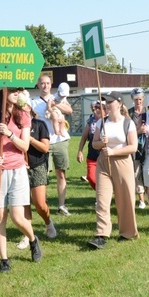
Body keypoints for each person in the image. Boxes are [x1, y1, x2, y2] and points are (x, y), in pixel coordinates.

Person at [0, 88, 42, 273]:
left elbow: (24, 145)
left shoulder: (23, 115)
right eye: (13, 91)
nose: (17, 94)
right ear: (3, 92)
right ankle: (4, 259)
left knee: (17, 217)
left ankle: (33, 239)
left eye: (18, 91)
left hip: (17, 169)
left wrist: (9, 134)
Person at [87, 91, 139, 249]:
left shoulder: (128, 123)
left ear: (120, 103)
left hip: (123, 162)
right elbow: (94, 143)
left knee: (125, 199)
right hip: (103, 163)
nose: (107, 104)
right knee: (102, 199)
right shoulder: (101, 123)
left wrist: (114, 151)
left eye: (110, 102)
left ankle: (127, 232)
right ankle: (101, 234)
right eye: (105, 102)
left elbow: (133, 146)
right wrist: (102, 143)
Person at [16, 93, 57, 250]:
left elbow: (45, 148)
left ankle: (48, 222)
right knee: (24, 202)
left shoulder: (39, 125)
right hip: (21, 167)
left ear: (30, 108)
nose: (22, 111)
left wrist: (29, 139)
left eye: (24, 107)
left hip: (38, 165)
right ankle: (27, 235)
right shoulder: (15, 127)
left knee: (39, 203)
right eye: (19, 108)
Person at [31, 75, 72, 216]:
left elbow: (69, 110)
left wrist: (54, 104)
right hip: (44, 142)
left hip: (60, 140)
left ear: (51, 85)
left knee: (61, 173)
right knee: (44, 174)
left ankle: (62, 205)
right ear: (38, 85)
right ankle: (44, 204)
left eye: (47, 83)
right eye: (42, 83)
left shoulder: (58, 97)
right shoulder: (34, 102)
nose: (45, 86)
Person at [77, 100, 104, 191]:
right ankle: (101, 193)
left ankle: (102, 196)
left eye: (97, 107)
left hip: (104, 156)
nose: (95, 109)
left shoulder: (108, 120)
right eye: (94, 107)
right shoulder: (91, 120)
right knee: (91, 178)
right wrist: (80, 151)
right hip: (92, 155)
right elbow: (84, 137)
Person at [128, 88, 148, 209]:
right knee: (136, 172)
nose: (138, 101)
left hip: (148, 146)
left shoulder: (147, 111)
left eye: (140, 99)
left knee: (147, 172)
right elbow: (126, 132)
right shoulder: (129, 113)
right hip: (134, 148)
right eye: (136, 99)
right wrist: (138, 131)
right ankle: (141, 199)